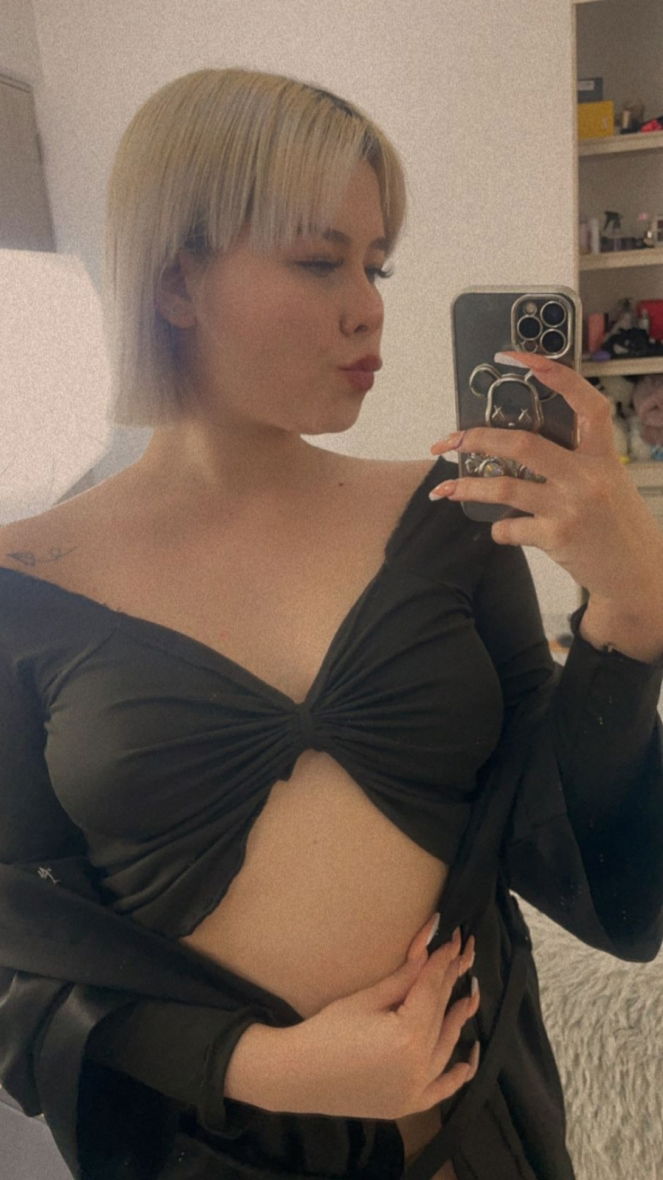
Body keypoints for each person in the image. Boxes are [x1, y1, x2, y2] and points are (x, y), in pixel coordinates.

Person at [0, 66, 662, 1180]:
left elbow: (566, 848)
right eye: (320, 262)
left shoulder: (451, 518)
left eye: (376, 264)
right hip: (208, 1151)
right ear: (176, 281)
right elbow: (21, 947)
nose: (368, 307)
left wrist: (633, 607)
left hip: (482, 1130)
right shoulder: (24, 583)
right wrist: (259, 1064)